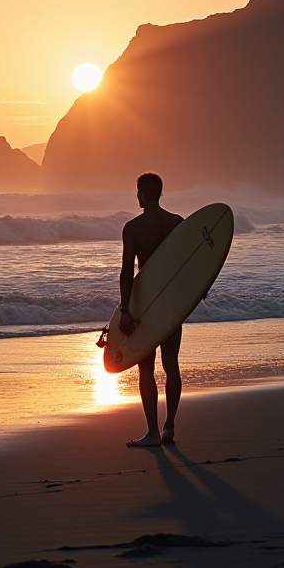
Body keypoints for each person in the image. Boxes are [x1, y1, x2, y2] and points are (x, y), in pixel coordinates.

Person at [119, 172, 184, 447]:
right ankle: (169, 426)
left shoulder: (133, 228)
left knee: (146, 369)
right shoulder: (178, 224)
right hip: (172, 303)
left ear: (143, 194)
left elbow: (126, 273)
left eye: (137, 192)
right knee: (171, 366)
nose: (136, 197)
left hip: (146, 305)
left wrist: (125, 310)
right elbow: (192, 266)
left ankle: (153, 433)